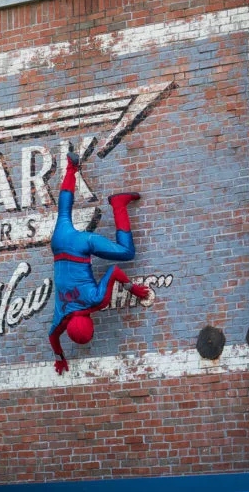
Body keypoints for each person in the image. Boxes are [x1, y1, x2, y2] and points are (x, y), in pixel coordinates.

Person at [49, 152, 150, 375]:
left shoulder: (96, 302)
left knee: (126, 252)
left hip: (80, 246)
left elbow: (114, 270)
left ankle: (119, 204)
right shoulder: (61, 316)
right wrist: (59, 356)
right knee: (63, 212)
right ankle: (71, 169)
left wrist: (133, 289)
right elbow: (53, 337)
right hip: (58, 245)